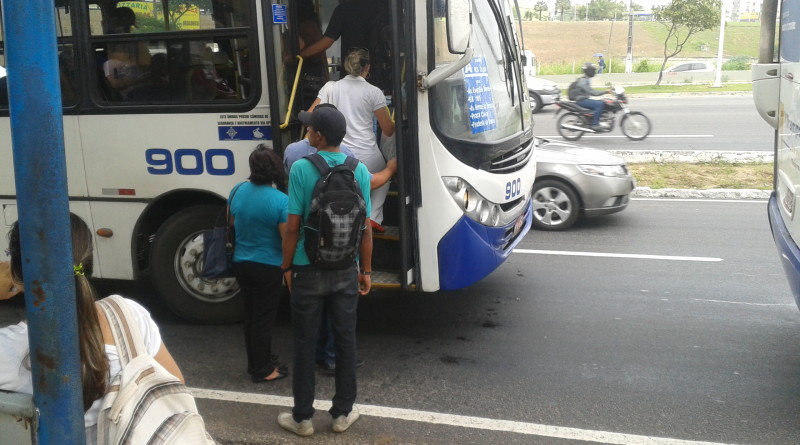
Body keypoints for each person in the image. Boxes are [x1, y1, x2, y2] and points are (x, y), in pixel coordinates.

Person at [0, 213, 184, 445]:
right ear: (87, 262)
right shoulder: (129, 315)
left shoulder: (7, 349)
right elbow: (175, 390)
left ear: (17, 275)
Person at [277, 105, 373, 437]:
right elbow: (367, 230)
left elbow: (292, 228)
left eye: (309, 129)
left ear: (318, 135)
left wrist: (287, 266)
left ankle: (302, 419)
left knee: (304, 343)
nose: (307, 132)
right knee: (346, 341)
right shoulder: (359, 169)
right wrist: (367, 271)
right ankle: (342, 414)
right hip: (346, 268)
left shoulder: (302, 169)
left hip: (307, 268)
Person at [229, 144, 290, 383]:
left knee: (251, 316)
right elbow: (286, 239)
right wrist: (288, 268)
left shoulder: (237, 190)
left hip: (240, 261)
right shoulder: (281, 201)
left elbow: (233, 222)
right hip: (267, 265)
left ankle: (256, 361)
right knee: (264, 318)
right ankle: (263, 370)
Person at [316, 48, 395, 231]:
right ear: (367, 67)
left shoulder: (331, 88)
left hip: (339, 154)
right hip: (368, 157)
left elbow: (313, 114)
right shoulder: (374, 92)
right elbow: (388, 130)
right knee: (384, 177)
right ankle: (373, 217)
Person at [298, 0, 391, 92]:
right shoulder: (384, 7)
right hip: (381, 74)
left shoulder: (343, 10)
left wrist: (300, 55)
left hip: (351, 74)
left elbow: (327, 41)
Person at [573, 63, 611, 131]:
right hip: (581, 100)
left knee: (602, 102)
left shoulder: (586, 79)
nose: (594, 72)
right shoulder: (583, 81)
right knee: (599, 104)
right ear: (588, 71)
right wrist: (605, 92)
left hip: (584, 99)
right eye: (593, 70)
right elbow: (592, 92)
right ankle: (594, 124)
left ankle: (597, 119)